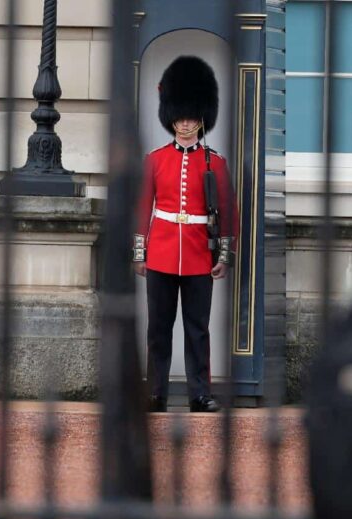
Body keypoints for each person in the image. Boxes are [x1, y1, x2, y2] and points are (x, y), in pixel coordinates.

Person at [134, 55, 237, 414]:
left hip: (197, 256)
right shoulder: (155, 159)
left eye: (191, 117)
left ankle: (199, 394)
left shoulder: (216, 163)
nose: (185, 124)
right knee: (158, 331)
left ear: (202, 118)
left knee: (197, 331)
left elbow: (228, 213)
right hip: (161, 252)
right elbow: (142, 208)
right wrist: (139, 252)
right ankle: (156, 392)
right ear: (170, 116)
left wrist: (223, 256)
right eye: (180, 117)